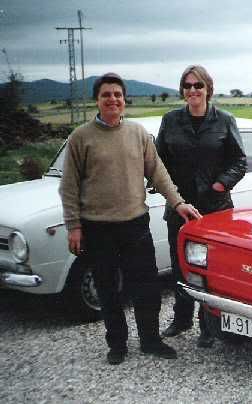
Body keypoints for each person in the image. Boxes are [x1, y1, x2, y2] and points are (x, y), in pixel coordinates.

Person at [59, 72, 201, 365]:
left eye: (117, 95)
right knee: (109, 288)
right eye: (106, 95)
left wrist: (178, 203)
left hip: (135, 224)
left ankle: (150, 340)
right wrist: (74, 226)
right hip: (97, 228)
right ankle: (117, 345)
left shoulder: (138, 134)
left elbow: (158, 173)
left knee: (146, 287)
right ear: (97, 101)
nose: (112, 99)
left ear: (125, 100)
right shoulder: (80, 137)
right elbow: (69, 186)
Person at [155, 65, 247, 347]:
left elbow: (239, 161)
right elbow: (159, 162)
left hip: (216, 208)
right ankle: (181, 319)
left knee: (213, 268)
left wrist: (219, 185)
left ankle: (209, 326)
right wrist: (172, 195)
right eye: (187, 85)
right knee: (181, 265)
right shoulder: (170, 121)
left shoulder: (224, 120)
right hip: (180, 207)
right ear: (182, 90)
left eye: (198, 86)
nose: (192, 90)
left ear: (208, 89)